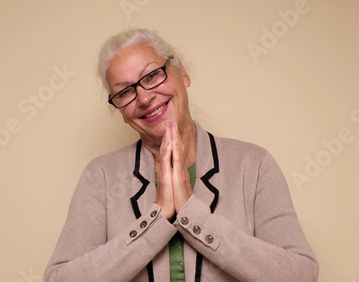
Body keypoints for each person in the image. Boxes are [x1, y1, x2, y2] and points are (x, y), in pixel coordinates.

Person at [44, 28, 318, 282]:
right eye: (125, 92)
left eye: (151, 75)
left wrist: (190, 212)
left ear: (182, 73)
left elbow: (300, 275)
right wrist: (158, 217)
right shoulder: (101, 177)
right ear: (121, 112)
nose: (143, 97)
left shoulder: (253, 165)